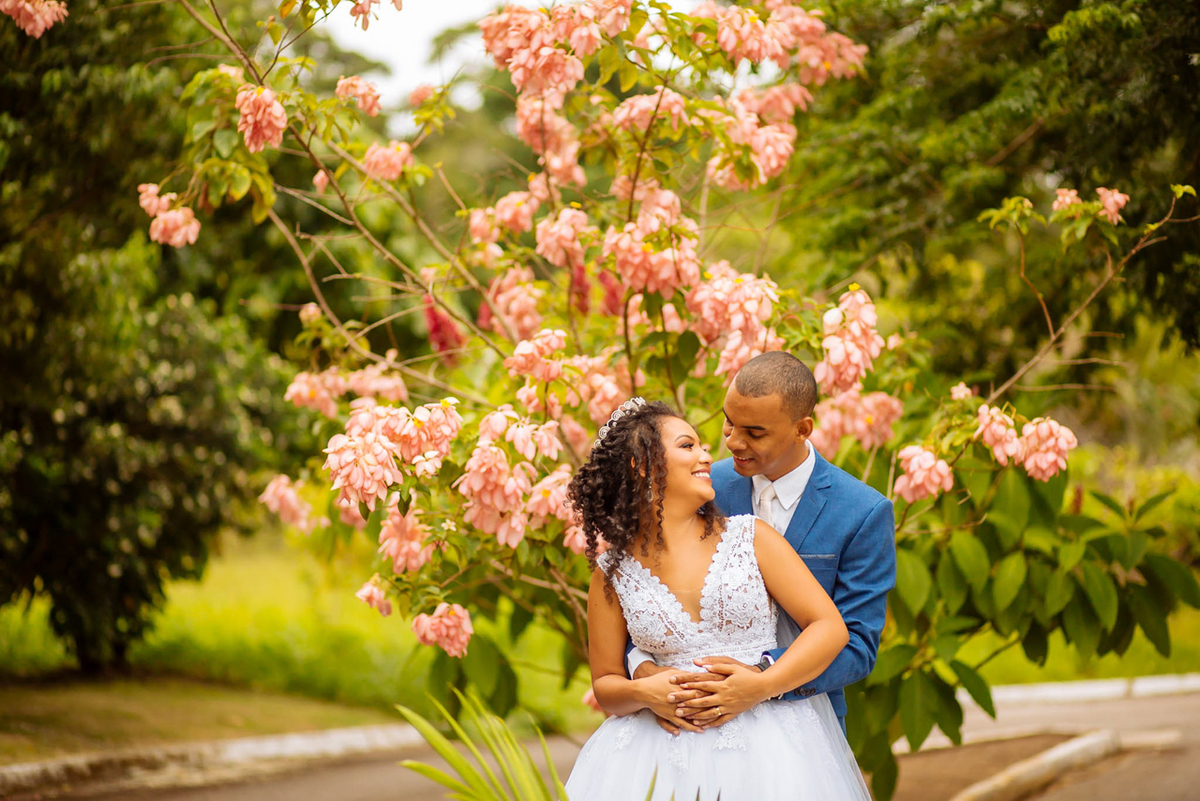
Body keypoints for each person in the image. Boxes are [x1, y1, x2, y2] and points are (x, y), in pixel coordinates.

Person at [563, 398, 870, 800]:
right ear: (642, 465)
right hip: (655, 755)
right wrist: (644, 693)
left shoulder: (752, 537)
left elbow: (829, 628)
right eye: (687, 446)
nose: (708, 455)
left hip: (771, 749)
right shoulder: (612, 573)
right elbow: (605, 683)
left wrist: (761, 684)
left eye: (702, 446)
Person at [628, 352, 896, 735]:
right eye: (728, 422)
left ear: (803, 429)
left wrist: (761, 681)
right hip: (684, 720)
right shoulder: (700, 487)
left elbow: (857, 644)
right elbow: (638, 591)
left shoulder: (862, 512)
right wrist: (649, 676)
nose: (734, 441)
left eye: (754, 432)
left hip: (804, 723)